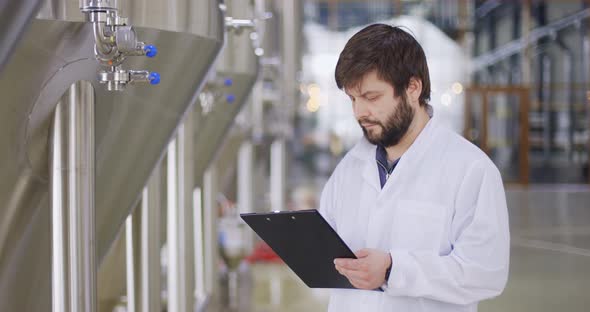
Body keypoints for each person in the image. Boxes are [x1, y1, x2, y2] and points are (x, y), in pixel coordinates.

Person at [319, 24, 510, 312]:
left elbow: (485, 274)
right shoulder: (349, 169)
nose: (359, 112)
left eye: (371, 98)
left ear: (412, 88)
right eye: (353, 99)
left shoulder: (471, 170)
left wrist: (394, 269)